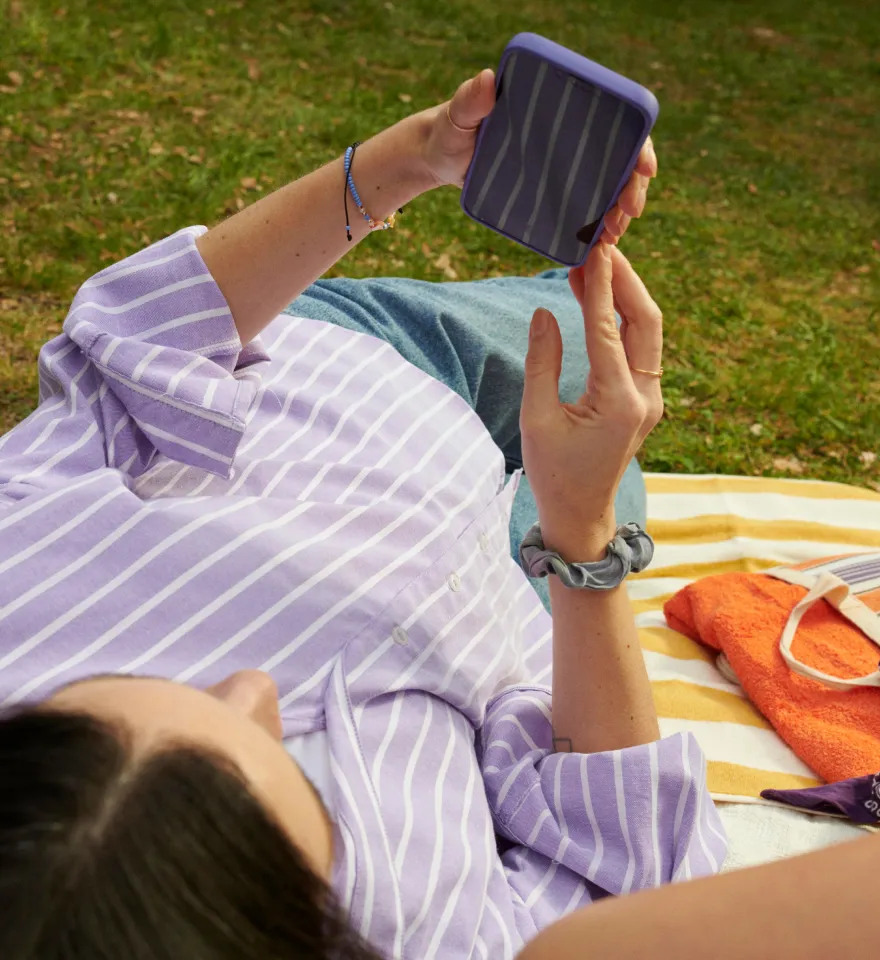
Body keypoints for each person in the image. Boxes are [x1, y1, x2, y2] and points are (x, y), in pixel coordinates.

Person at [0, 68, 724, 960]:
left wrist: (413, 159)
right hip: (536, 584)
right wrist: (585, 536)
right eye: (272, 770)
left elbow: (134, 343)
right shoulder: (434, 938)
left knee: (584, 309)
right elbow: (628, 873)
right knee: (611, 370)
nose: (252, 686)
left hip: (351, 368)